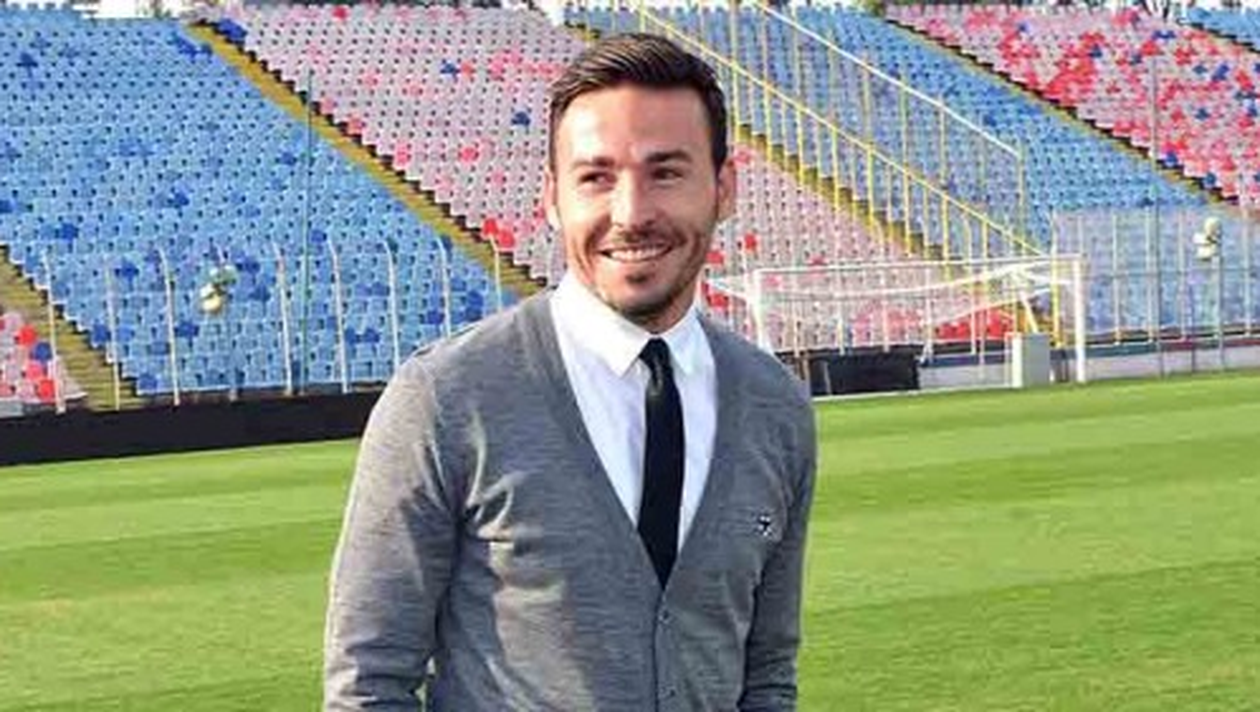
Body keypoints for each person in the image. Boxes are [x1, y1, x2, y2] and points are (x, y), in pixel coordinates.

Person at [324, 33, 817, 711]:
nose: (631, 213)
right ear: (553, 198)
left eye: (666, 172)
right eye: (596, 177)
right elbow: (369, 682)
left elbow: (766, 677)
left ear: (723, 188)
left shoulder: (775, 406)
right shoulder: (447, 397)